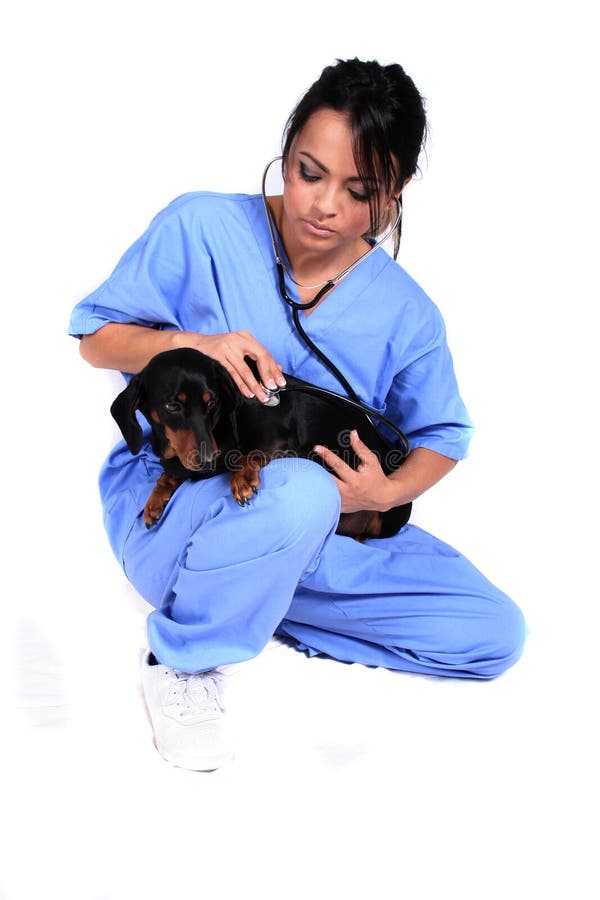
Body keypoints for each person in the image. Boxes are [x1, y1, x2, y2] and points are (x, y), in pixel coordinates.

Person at [69, 58, 526, 771]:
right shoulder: (203, 226)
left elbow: (443, 435)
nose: (323, 206)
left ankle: (252, 590)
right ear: (285, 152)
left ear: (396, 193)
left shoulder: (407, 312)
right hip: (176, 510)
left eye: (359, 191)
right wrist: (193, 341)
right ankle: (183, 658)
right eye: (308, 172)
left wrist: (385, 493)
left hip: (316, 531)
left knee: (493, 633)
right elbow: (95, 338)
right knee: (300, 490)